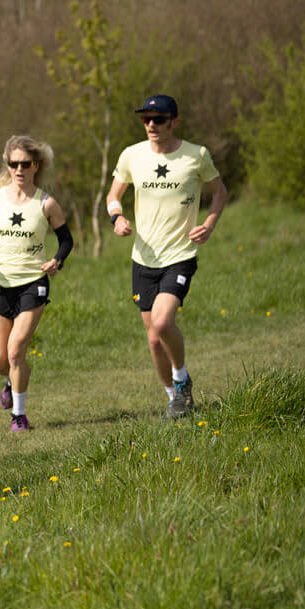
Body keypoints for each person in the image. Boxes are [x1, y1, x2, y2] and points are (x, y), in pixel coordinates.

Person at [106, 94, 228, 418]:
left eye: (158, 119)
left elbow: (220, 192)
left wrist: (209, 224)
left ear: (174, 121)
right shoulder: (131, 155)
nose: (151, 125)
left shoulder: (195, 156)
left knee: (162, 322)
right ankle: (175, 398)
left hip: (180, 254)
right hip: (143, 258)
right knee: (153, 339)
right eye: (146, 119)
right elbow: (113, 195)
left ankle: (181, 378)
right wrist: (116, 217)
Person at [0, 135, 73, 432]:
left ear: (35, 166)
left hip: (32, 284)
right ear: (8, 165)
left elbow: (66, 240)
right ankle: (10, 382)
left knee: (16, 352)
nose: (19, 169)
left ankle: (19, 416)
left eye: (25, 164)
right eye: (13, 164)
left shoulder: (46, 203)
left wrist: (57, 261)